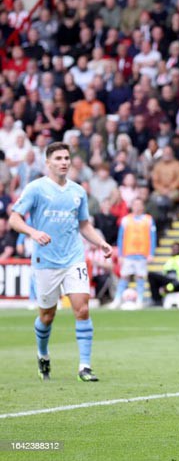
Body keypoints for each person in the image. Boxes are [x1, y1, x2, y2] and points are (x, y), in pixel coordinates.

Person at [9, 142, 113, 382]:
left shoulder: (78, 191)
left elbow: (84, 224)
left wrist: (100, 243)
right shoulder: (36, 189)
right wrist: (33, 233)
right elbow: (14, 219)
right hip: (45, 261)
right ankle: (43, 354)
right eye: (58, 158)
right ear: (48, 162)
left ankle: (84, 366)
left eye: (66, 158)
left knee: (83, 308)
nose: (64, 162)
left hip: (73, 258)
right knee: (47, 315)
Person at [112, 198, 157, 308]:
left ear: (143, 206)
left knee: (140, 277)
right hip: (128, 253)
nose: (137, 207)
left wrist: (151, 253)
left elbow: (153, 237)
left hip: (142, 254)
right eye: (135, 204)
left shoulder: (148, 219)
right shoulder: (126, 220)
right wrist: (120, 254)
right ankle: (117, 299)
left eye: (139, 204)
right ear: (132, 206)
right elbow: (121, 237)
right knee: (124, 277)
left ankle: (139, 300)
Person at [147, 242, 179, 306]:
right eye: (173, 249)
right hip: (170, 282)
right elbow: (165, 274)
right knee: (151, 275)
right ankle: (157, 301)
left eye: (176, 249)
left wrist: (170, 287)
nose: (174, 250)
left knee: (153, 276)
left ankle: (158, 300)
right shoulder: (170, 260)